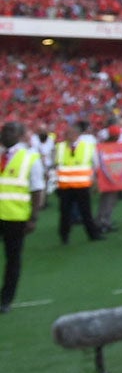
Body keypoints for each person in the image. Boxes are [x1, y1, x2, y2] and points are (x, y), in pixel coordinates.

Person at [0, 122, 49, 313]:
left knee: (13, 260)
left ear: (21, 134)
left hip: (16, 217)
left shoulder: (30, 157)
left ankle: (5, 299)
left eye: (10, 131)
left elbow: (37, 189)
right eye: (4, 130)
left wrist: (33, 218)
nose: (5, 134)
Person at [55, 117, 104, 245]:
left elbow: (95, 164)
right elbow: (55, 165)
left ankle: (92, 234)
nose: (67, 136)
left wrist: (94, 181)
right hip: (65, 186)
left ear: (77, 134)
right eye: (66, 133)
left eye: (69, 133)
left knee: (86, 212)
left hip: (82, 185)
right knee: (65, 213)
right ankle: (64, 236)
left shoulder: (88, 147)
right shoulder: (59, 147)